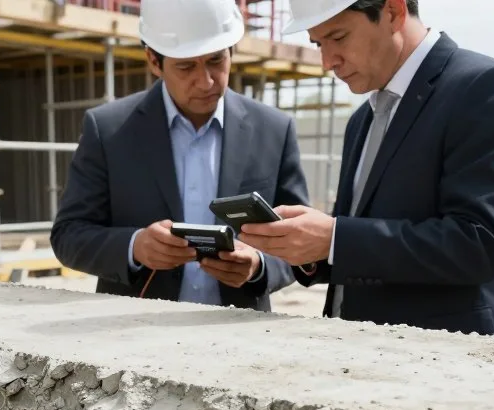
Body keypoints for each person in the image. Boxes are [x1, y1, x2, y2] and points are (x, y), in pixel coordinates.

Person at [238, 0, 494, 337]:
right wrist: (305, 248)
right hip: (360, 353)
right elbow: (360, 241)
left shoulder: (485, 88)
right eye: (318, 44)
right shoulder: (363, 120)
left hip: (447, 361)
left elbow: (480, 245)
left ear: (393, 11)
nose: (327, 61)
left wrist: (335, 238)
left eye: (338, 37)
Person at [50, 0, 310, 311]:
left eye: (216, 60)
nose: (206, 81)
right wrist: (135, 247)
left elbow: (300, 240)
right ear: (153, 60)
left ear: (232, 51)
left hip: (241, 337)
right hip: (134, 332)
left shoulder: (274, 130)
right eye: (186, 66)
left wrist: (259, 265)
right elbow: (69, 235)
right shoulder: (108, 131)